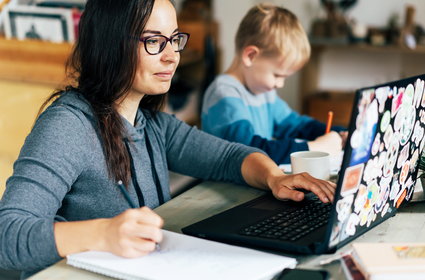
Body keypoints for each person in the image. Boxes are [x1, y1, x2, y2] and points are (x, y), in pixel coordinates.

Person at [0, 0, 336, 278]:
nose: (172, 55)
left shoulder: (153, 124)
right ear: (110, 45)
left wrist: (274, 177)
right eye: (153, 41)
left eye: (174, 39)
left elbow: (228, 157)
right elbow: (7, 235)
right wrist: (102, 233)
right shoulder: (68, 126)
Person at [201, 3, 347, 164]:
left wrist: (340, 133)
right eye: (277, 75)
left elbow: (296, 126)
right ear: (250, 56)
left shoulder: (263, 91)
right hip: (222, 186)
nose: (280, 84)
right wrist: (312, 148)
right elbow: (250, 151)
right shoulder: (224, 94)